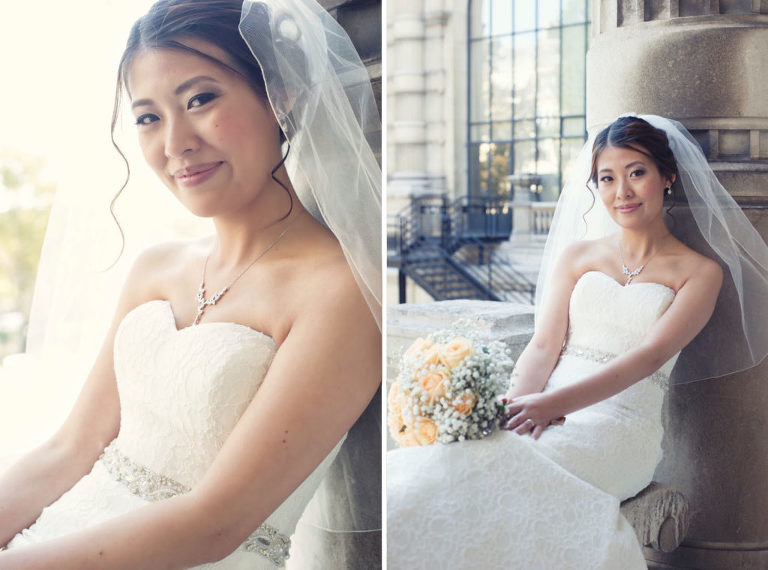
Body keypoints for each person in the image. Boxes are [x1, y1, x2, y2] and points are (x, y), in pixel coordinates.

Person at [0, 0, 381, 568]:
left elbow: (214, 522)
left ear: (280, 96)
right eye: (148, 116)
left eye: (200, 100)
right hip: (62, 538)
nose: (174, 143)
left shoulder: (340, 293)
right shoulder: (156, 267)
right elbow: (69, 449)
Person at [387, 115, 768, 569]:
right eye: (607, 178)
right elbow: (544, 347)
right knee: (441, 473)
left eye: (636, 173)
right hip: (544, 411)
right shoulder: (578, 257)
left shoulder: (700, 273)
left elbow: (647, 357)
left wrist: (554, 405)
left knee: (491, 473)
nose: (621, 192)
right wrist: (516, 405)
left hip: (620, 430)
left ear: (667, 177)